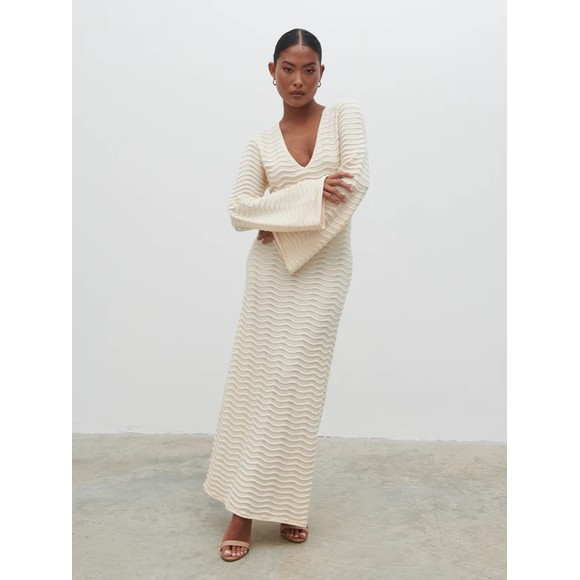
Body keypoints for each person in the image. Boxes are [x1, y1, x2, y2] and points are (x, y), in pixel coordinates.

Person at [202, 28, 370, 562]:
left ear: (322, 73)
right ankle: (245, 509)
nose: (298, 80)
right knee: (260, 382)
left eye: (309, 69)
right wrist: (309, 195)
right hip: (270, 274)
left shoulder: (344, 116)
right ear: (271, 71)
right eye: (288, 69)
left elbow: (355, 186)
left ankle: (284, 499)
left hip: (326, 267)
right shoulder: (260, 142)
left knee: (298, 386)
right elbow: (239, 210)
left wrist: (284, 220)